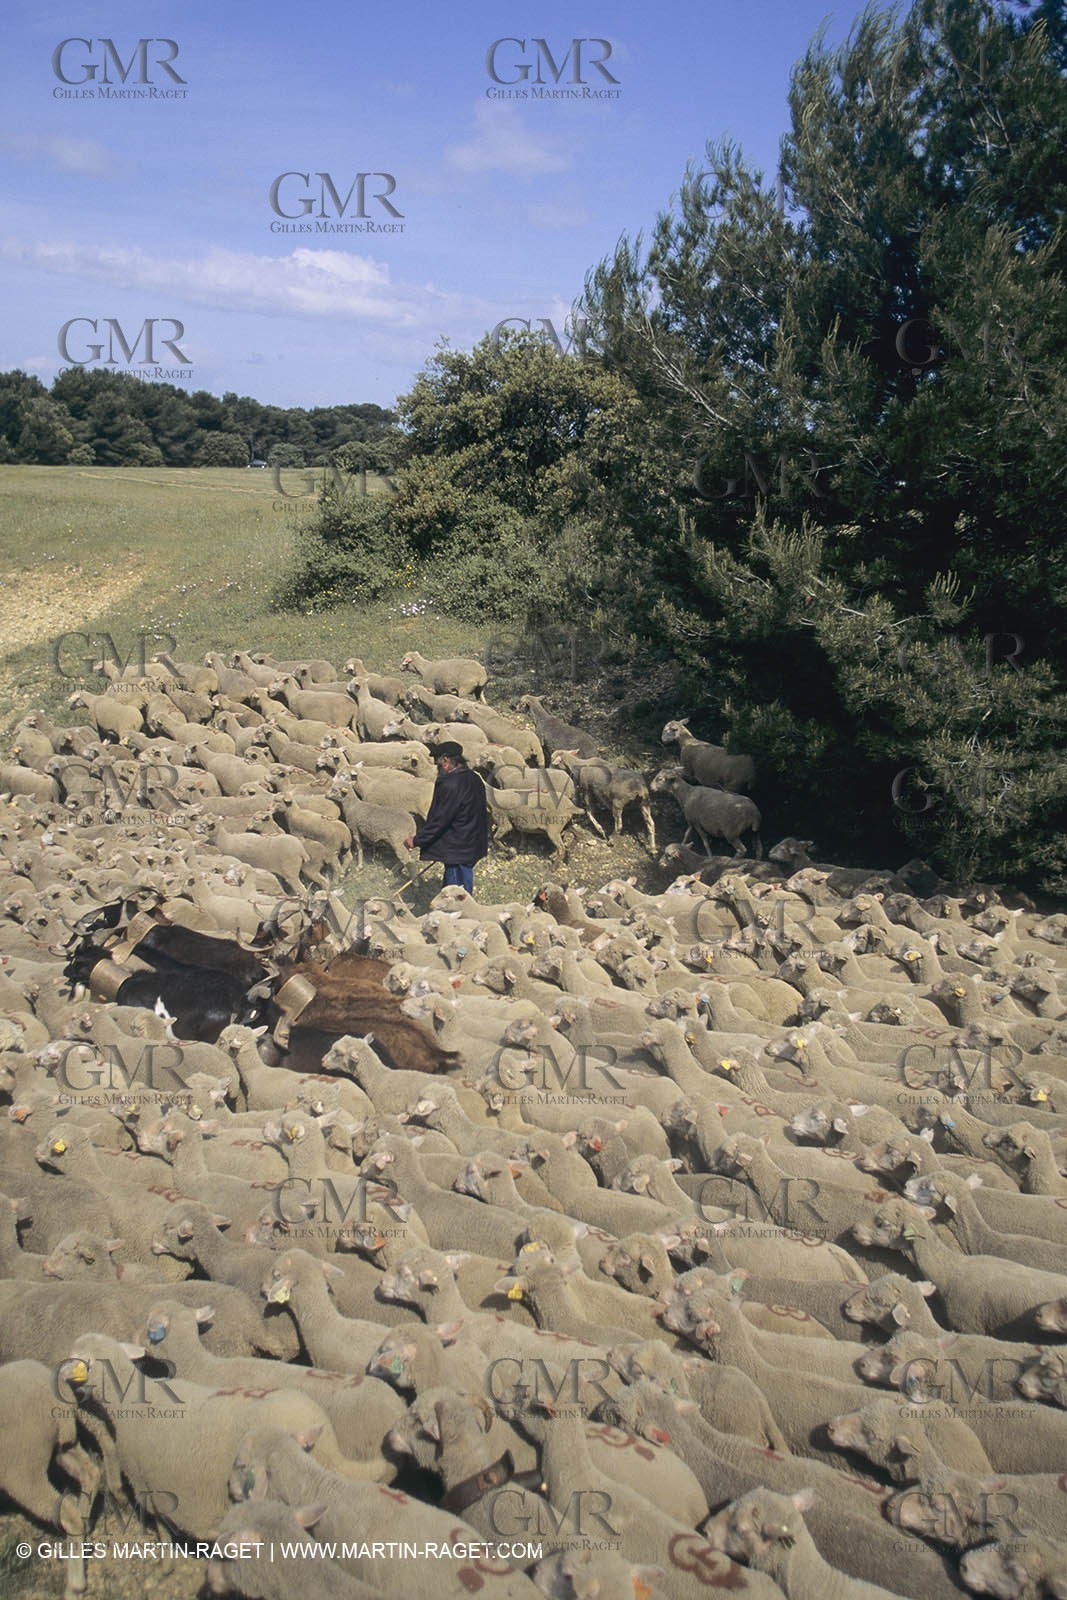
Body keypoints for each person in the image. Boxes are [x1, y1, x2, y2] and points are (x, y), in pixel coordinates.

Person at [403, 741, 489, 894]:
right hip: (473, 842)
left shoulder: (450, 784)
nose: (438, 768)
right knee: (458, 883)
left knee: (455, 893)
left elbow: (440, 819)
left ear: (446, 761)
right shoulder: (474, 778)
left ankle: (459, 916)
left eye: (438, 764)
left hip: (458, 847)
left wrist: (416, 840)